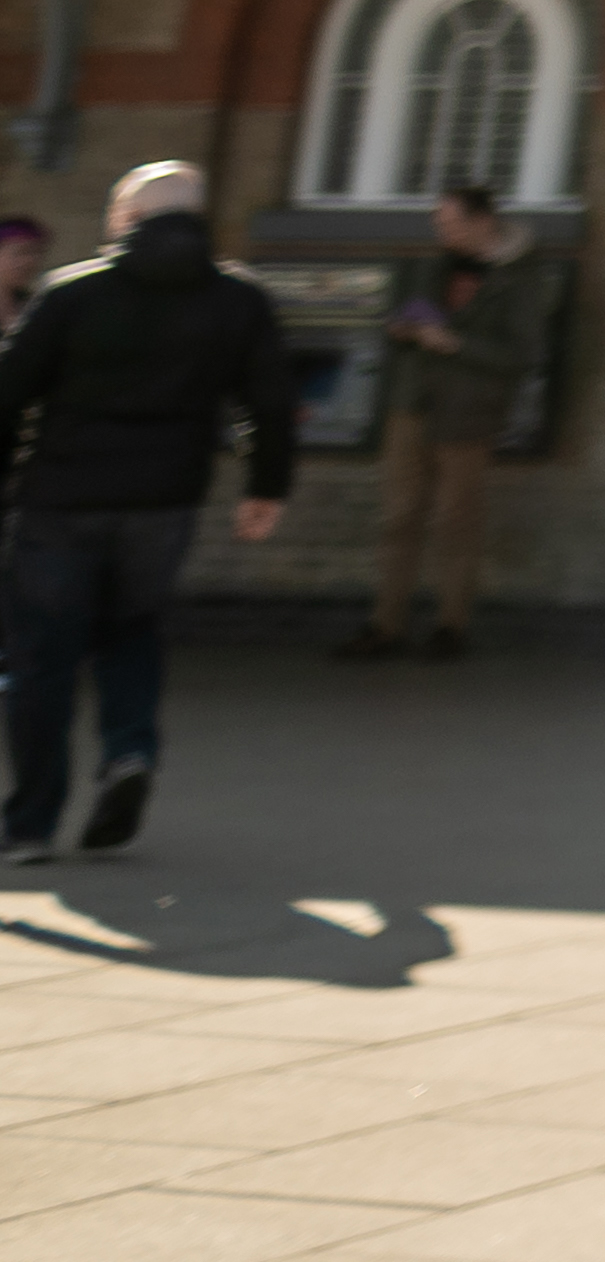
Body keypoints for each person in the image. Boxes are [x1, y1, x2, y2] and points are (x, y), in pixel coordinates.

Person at [0, 162, 298, 864]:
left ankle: (32, 824)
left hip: (63, 499)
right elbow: (270, 401)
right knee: (131, 631)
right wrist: (266, 489)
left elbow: (9, 394)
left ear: (128, 219)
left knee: (42, 654)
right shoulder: (239, 300)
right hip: (167, 500)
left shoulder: (72, 292)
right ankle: (129, 753)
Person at [337, 184, 564, 662]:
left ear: (483, 221)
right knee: (398, 517)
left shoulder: (521, 276)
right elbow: (403, 317)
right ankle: (384, 625)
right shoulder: (433, 266)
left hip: (467, 414)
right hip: (412, 405)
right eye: (438, 224)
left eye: (450, 224)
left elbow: (525, 354)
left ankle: (450, 626)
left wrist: (457, 344)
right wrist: (402, 328)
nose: (442, 232)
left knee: (455, 521)